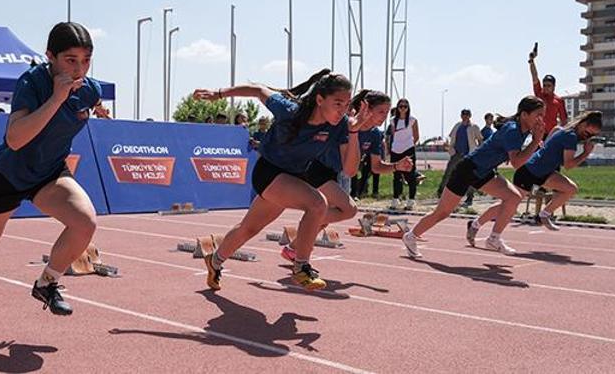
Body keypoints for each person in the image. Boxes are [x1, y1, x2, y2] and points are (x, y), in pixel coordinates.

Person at [0, 22, 107, 319]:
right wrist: (57, 98)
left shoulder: (89, 89)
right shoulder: (32, 82)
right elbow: (15, 139)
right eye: (70, 60)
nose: (79, 69)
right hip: (8, 176)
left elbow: (95, 98)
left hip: (49, 174)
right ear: (50, 57)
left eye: (86, 60)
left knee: (85, 223)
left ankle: (46, 283)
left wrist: (100, 109)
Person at [192, 72, 373, 291]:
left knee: (249, 228)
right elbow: (258, 89)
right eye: (337, 103)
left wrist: (354, 132)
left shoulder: (342, 125)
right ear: (319, 99)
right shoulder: (289, 111)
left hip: (293, 177)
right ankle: (301, 266)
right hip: (268, 172)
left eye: (346, 104)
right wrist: (218, 94)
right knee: (317, 203)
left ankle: (215, 260)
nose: (342, 110)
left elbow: (350, 169)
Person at [402, 96, 545, 258]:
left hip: (484, 172)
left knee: (513, 197)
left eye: (543, 115)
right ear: (524, 115)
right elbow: (517, 162)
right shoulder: (513, 130)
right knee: (442, 212)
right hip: (468, 169)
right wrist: (536, 142)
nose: (541, 119)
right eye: (538, 115)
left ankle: (494, 238)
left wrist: (535, 141)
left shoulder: (524, 131)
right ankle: (410, 236)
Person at [492, 111, 601, 234]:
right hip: (529, 173)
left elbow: (554, 130)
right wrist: (586, 153)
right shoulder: (571, 137)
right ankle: (476, 223)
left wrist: (545, 148)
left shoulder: (561, 129)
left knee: (570, 189)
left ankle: (544, 214)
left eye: (591, 136)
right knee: (510, 203)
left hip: (544, 174)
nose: (586, 138)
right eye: (587, 133)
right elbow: (568, 165)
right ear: (582, 124)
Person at [437, 109, 485, 207]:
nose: (465, 116)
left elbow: (480, 139)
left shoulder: (474, 127)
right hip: (456, 153)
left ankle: (470, 196)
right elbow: (451, 137)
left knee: (469, 176)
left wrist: (479, 151)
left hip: (469, 155)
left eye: (467, 114)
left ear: (470, 115)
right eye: (463, 114)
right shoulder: (457, 126)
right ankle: (441, 192)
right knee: (449, 172)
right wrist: (450, 148)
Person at [385, 98, 421, 210]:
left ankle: (411, 200)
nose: (403, 109)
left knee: (410, 175)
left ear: (408, 108)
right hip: (396, 150)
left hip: (408, 150)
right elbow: (392, 135)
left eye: (405, 106)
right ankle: (396, 199)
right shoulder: (392, 120)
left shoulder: (412, 120)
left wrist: (409, 145)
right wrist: (390, 149)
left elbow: (416, 135)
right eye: (401, 106)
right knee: (396, 176)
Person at [529, 43, 567, 136]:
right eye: (544, 85)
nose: (545, 87)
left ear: (554, 86)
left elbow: (564, 121)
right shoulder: (539, 94)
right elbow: (534, 76)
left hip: (551, 135)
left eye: (548, 85)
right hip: (538, 133)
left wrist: (561, 135)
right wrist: (531, 60)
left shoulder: (559, 101)